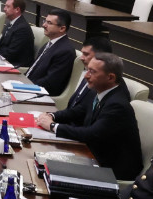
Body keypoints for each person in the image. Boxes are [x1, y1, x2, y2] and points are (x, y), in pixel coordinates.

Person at [35, 52, 142, 180]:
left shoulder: (117, 104)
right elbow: (77, 112)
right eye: (87, 70)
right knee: (42, 160)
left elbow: (92, 134)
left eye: (92, 72)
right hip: (92, 155)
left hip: (111, 170)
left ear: (110, 77)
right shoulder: (100, 91)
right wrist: (51, 115)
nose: (86, 75)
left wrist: (53, 126)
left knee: (47, 170)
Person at [25, 10, 76, 95]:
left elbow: (50, 83)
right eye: (45, 21)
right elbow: (34, 70)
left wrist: (25, 86)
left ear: (62, 28)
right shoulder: (49, 44)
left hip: (40, 94)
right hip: (29, 86)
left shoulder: (65, 51)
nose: (44, 25)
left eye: (49, 23)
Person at [64, 36, 112, 110]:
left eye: (86, 54)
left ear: (100, 56)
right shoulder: (89, 72)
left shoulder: (103, 82)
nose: (81, 58)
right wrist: (53, 115)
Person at [0, 0, 34, 67]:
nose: (4, 9)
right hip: (4, 59)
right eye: (5, 6)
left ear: (17, 9)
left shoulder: (23, 29)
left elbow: (11, 53)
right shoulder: (10, 23)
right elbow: (1, 46)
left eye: (8, 6)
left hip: (15, 65)